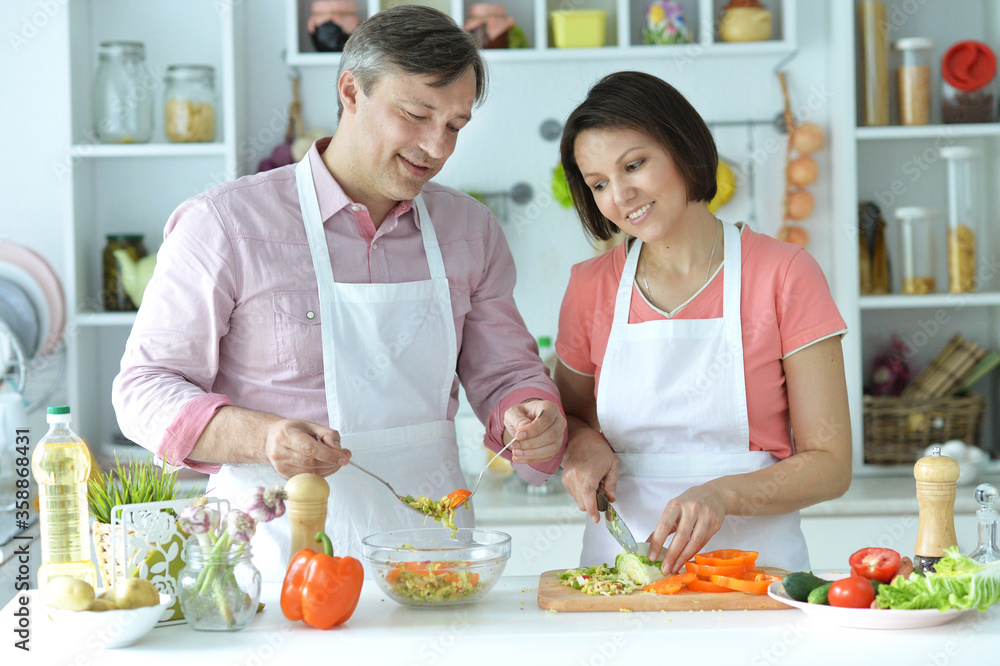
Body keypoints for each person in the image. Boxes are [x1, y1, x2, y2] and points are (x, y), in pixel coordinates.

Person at [112, 5, 566, 580]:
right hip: (269, 562)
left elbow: (504, 376)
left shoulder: (470, 230)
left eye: (454, 125)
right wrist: (264, 436)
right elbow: (143, 389)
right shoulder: (225, 224)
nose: (437, 146)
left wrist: (530, 413)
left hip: (430, 559)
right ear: (351, 91)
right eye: (417, 114)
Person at [554, 71, 851, 574]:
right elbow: (575, 420)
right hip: (622, 574)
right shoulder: (589, 286)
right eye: (600, 183)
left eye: (635, 165)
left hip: (756, 572)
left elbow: (831, 464)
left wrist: (721, 495)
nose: (621, 195)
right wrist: (581, 447)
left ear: (683, 147)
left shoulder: (783, 273)